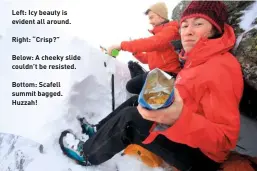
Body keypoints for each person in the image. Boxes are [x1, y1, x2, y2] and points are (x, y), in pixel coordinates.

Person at [59, 1, 244, 171]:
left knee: (133, 120)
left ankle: (87, 153)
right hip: (186, 130)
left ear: (215, 29)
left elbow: (225, 140)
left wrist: (177, 117)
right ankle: (98, 131)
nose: (187, 31)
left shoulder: (221, 68)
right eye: (185, 25)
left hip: (201, 156)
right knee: (135, 102)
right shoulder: (199, 59)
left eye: (198, 24)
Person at [107, 2, 181, 95]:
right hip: (158, 75)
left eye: (151, 17)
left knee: (132, 86)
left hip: (169, 75)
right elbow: (147, 60)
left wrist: (121, 45)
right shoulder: (159, 36)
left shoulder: (170, 31)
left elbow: (150, 43)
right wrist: (135, 51)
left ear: (161, 16)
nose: (150, 21)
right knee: (132, 88)